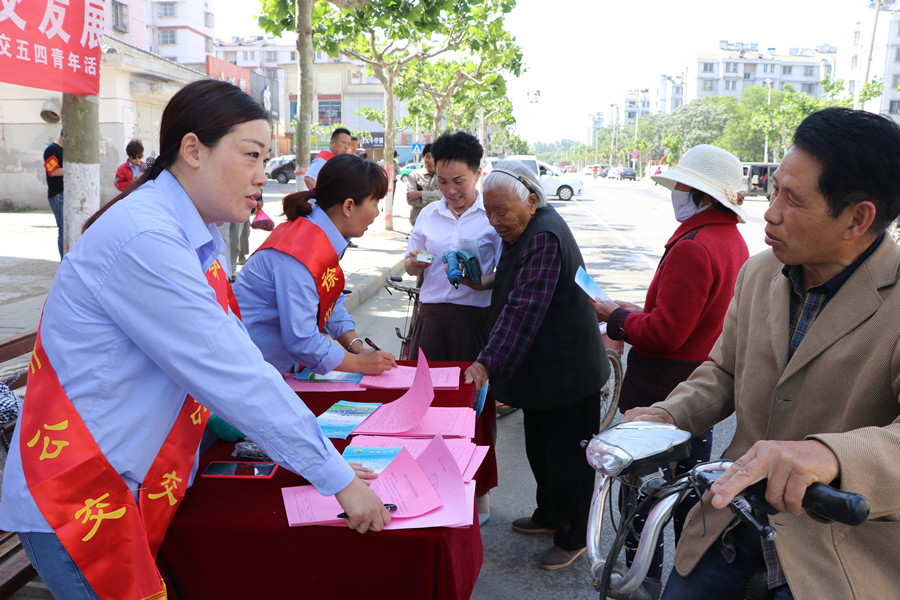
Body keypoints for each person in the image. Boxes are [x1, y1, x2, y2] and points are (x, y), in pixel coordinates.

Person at [0, 79, 390, 600]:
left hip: (126, 481)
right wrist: (336, 477)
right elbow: (233, 371)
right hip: (82, 494)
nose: (262, 176)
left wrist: (314, 458)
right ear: (192, 150)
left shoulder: (187, 232)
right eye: (251, 155)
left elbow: (231, 360)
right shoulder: (147, 238)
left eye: (265, 159)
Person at [625, 107, 900, 600]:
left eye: (792, 200)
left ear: (857, 219)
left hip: (835, 550)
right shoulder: (759, 273)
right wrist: (669, 415)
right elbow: (724, 371)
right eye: (772, 191)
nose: (770, 213)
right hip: (731, 518)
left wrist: (830, 455)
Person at [591, 144, 750, 599]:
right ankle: (683, 578)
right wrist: (634, 313)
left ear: (700, 194)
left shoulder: (694, 246)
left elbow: (665, 334)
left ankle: (644, 581)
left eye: (680, 185)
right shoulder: (730, 241)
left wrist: (616, 318)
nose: (674, 193)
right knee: (688, 492)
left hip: (664, 390)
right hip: (698, 385)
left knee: (643, 497)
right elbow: (689, 318)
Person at [464, 160, 609, 571]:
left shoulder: (544, 235)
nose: (495, 221)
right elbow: (512, 279)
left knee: (568, 460)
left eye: (501, 212)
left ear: (530, 200)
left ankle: (574, 535)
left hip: (568, 369)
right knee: (542, 451)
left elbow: (522, 310)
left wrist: (486, 364)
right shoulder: (525, 226)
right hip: (543, 372)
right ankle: (549, 515)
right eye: (488, 212)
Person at [404, 131, 502, 526]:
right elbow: (409, 263)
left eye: (458, 181)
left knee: (475, 410)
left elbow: (505, 272)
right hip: (432, 321)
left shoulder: (493, 215)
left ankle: (479, 494)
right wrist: (415, 261)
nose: (450, 191)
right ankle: (430, 486)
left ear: (478, 173)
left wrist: (481, 282)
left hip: (475, 323)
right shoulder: (430, 214)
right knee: (427, 408)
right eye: (442, 182)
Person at [233, 154, 396, 376]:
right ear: (349, 206)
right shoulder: (299, 252)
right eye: (375, 203)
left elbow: (329, 296)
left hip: (274, 368)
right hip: (251, 370)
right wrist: (359, 364)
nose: (377, 213)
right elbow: (302, 341)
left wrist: (357, 347)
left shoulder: (318, 235)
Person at [406, 143, 441, 226]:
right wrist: (435, 198)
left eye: (433, 157)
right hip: (418, 222)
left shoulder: (444, 176)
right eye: (428, 157)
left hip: (439, 222)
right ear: (423, 158)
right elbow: (412, 201)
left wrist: (420, 194)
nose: (430, 160)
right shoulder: (414, 176)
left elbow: (445, 197)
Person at [43, 130, 64, 259]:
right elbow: (52, 171)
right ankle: (63, 260)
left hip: (65, 195)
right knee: (63, 229)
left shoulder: (65, 151)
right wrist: (72, 168)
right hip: (57, 195)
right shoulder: (52, 149)